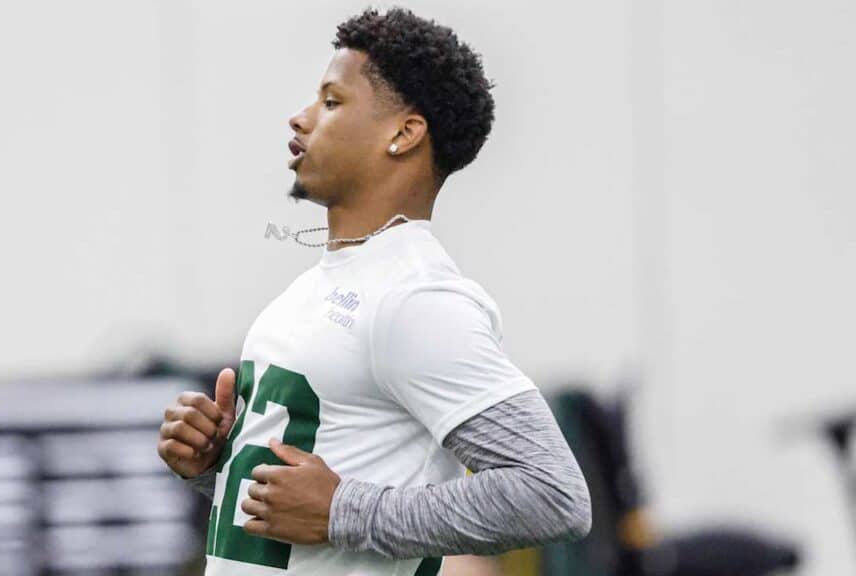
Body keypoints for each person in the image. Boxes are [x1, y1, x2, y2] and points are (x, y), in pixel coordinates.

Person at [158, 7, 592, 575]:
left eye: (331, 102)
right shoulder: (314, 287)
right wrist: (218, 464)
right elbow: (296, 520)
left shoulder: (415, 299)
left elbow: (552, 494)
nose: (300, 118)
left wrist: (345, 511)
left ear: (403, 134)